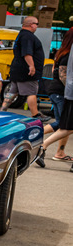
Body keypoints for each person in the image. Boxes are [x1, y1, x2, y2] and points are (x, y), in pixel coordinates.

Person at [0, 17, 51, 122]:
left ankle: (2, 111)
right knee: (31, 92)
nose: (37, 26)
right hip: (26, 70)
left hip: (17, 69)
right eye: (37, 24)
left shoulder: (21, 35)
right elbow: (27, 53)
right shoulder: (28, 36)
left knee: (13, 91)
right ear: (31, 24)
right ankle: (35, 114)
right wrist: (31, 66)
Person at [36, 27, 73, 166]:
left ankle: (59, 152)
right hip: (61, 92)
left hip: (56, 91)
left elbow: (54, 71)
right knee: (65, 125)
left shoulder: (61, 52)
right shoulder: (67, 55)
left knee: (62, 124)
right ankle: (39, 141)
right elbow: (63, 75)